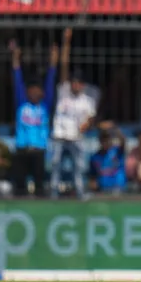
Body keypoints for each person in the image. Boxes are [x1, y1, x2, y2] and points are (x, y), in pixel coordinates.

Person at [50, 29, 96, 200]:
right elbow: (64, 65)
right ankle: (54, 193)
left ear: (82, 85)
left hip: (76, 137)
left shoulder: (87, 99)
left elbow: (91, 117)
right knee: (55, 165)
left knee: (80, 166)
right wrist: (66, 43)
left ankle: (80, 193)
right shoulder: (64, 91)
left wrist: (87, 123)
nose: (75, 85)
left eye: (78, 83)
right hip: (60, 136)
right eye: (73, 82)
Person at [11, 40, 57, 197]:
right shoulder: (21, 104)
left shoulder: (45, 106)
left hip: (39, 151)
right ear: (27, 91)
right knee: (20, 187)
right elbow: (17, 79)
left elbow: (51, 79)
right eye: (32, 90)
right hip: (22, 150)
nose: (35, 93)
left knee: (40, 187)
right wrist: (16, 57)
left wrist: (53, 59)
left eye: (38, 90)